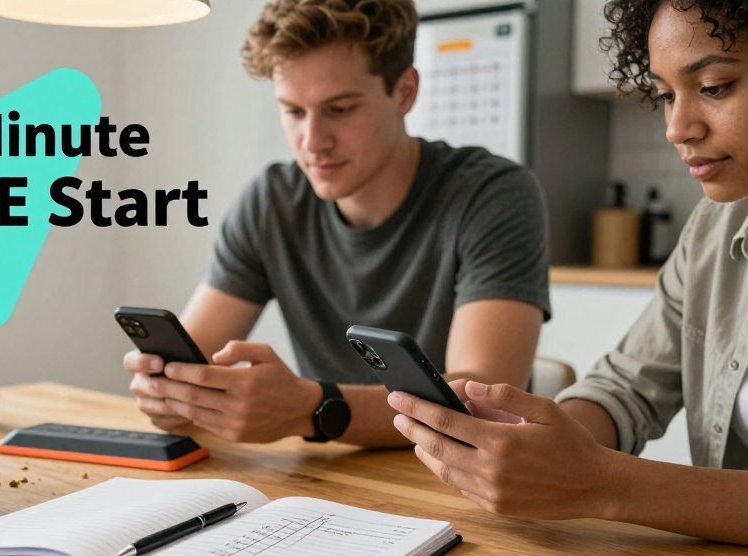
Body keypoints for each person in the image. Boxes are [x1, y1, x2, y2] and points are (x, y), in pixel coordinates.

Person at [389, 0, 748, 550]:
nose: (678, 128)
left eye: (716, 86)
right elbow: (629, 385)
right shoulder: (713, 229)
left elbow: (605, 481)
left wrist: (601, 484)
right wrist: (536, 441)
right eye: (664, 95)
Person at [123, 0, 551, 447]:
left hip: (463, 485)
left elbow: (482, 402)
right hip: (323, 484)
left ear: (404, 92)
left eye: (340, 109)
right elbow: (195, 357)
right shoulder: (271, 202)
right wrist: (168, 393)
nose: (312, 142)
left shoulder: (494, 195)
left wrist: (313, 407)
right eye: (293, 111)